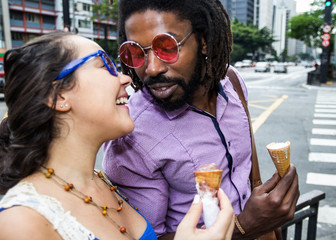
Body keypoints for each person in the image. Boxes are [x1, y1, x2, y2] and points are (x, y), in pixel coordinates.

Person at [0, 31, 235, 240]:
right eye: (106, 66)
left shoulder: (102, 182)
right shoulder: (20, 221)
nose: (125, 78)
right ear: (58, 96)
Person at [103, 0, 300, 239]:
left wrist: (270, 217)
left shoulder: (233, 83)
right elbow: (144, 236)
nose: (152, 68)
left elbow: (247, 176)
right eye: (136, 53)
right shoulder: (132, 134)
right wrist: (244, 227)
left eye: (166, 47)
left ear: (203, 42)